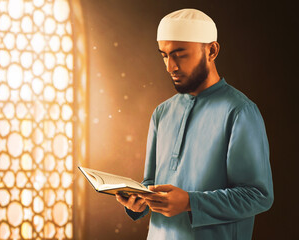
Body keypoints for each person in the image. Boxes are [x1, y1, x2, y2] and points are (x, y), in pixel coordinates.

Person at [115, 8, 274, 239]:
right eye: (164, 55)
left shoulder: (240, 111)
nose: (170, 66)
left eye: (180, 54)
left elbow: (257, 195)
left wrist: (191, 202)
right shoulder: (162, 112)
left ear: (211, 50)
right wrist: (138, 201)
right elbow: (151, 183)